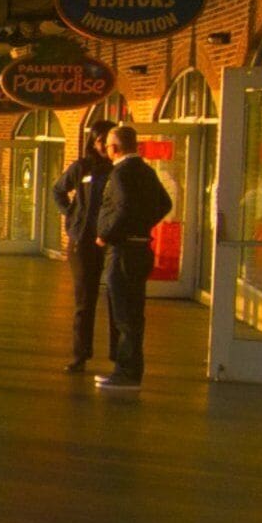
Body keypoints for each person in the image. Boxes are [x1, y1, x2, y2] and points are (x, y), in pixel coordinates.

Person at [91, 123, 174, 389]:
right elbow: (165, 203)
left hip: (123, 250)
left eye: (107, 146)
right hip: (141, 249)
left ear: (114, 148)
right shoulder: (147, 171)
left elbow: (124, 207)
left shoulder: (120, 174)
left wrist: (107, 233)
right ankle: (128, 370)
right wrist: (143, 224)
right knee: (134, 313)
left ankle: (126, 374)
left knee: (124, 316)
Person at [51, 130, 115, 373]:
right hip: (83, 241)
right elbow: (57, 190)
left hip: (111, 239)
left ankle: (117, 357)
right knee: (84, 300)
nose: (103, 145)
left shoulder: (118, 169)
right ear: (93, 141)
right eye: (100, 140)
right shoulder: (83, 167)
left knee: (114, 299)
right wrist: (71, 214)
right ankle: (81, 354)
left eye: (107, 141)